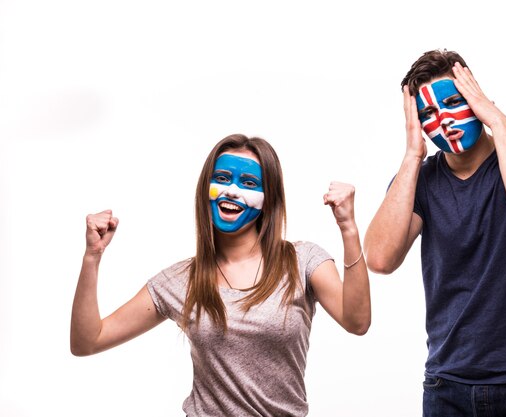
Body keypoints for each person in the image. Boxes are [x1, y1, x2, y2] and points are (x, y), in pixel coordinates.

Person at [70, 133, 371, 417]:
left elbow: (357, 321)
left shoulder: (302, 261)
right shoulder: (181, 280)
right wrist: (92, 256)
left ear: (269, 198)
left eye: (249, 182)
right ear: (206, 189)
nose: (231, 190)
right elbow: (87, 341)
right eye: (223, 179)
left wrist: (348, 228)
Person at [364, 49, 506, 416]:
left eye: (455, 102)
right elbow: (379, 259)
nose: (444, 120)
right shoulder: (419, 181)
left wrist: (496, 119)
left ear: (477, 97)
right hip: (447, 387)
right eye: (428, 114)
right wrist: (412, 155)